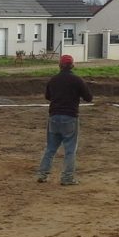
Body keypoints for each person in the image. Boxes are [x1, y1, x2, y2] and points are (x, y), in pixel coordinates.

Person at [37, 54, 92, 185]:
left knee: (50, 148)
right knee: (70, 150)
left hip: (54, 117)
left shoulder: (53, 80)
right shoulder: (77, 80)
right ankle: (67, 178)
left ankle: (42, 174)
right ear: (72, 65)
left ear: (60, 65)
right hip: (70, 118)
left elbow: (48, 96)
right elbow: (88, 98)